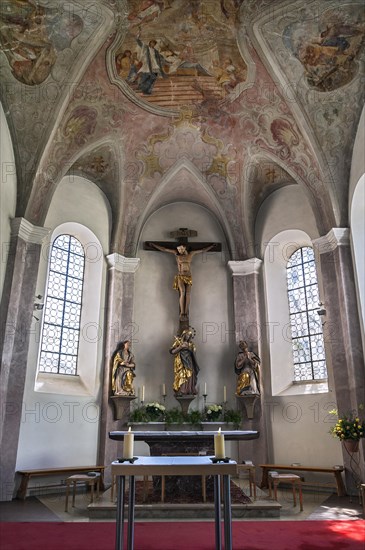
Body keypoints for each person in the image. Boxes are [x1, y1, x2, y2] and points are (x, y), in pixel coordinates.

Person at [149, 242, 215, 320]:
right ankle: (182, 312)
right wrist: (154, 245)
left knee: (187, 294)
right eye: (178, 249)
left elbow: (202, 250)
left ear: (184, 248)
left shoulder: (191, 254)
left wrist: (211, 246)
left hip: (188, 276)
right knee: (182, 293)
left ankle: (186, 312)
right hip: (180, 276)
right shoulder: (177, 255)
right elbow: (164, 249)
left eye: (180, 249)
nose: (179, 250)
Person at [169, 329, 199, 395]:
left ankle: (189, 389)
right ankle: (182, 390)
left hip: (189, 361)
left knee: (190, 373)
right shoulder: (179, 342)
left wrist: (190, 349)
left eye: (190, 335)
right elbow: (172, 351)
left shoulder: (191, 344)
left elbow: (194, 353)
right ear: (184, 334)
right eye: (187, 334)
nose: (188, 336)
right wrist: (180, 347)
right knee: (182, 374)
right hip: (181, 361)